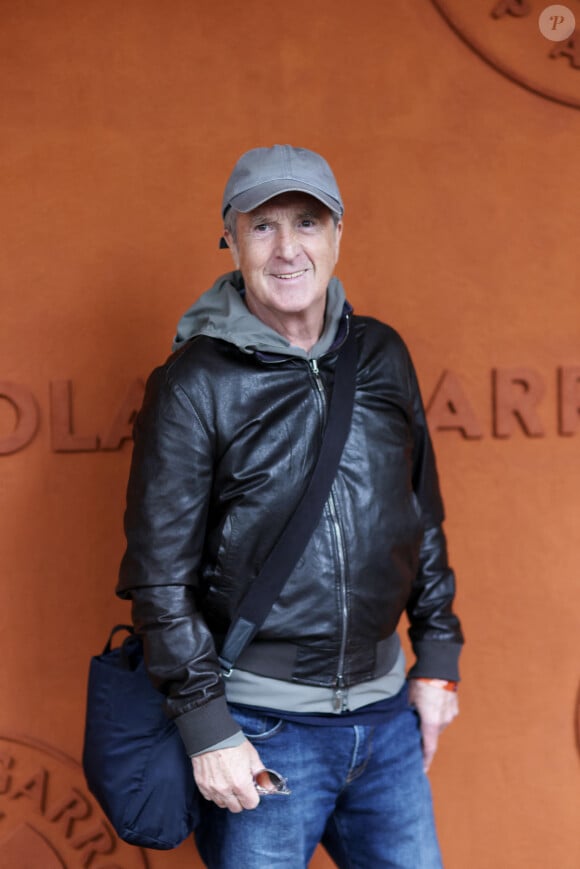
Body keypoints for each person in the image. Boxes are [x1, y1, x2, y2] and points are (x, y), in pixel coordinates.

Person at [117, 144, 464, 869]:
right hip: (261, 728)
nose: (287, 247)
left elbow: (419, 512)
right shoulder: (192, 384)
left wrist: (436, 660)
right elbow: (158, 578)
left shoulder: (382, 354)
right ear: (231, 236)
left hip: (387, 717)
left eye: (306, 221)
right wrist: (209, 727)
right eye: (263, 225)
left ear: (338, 234)